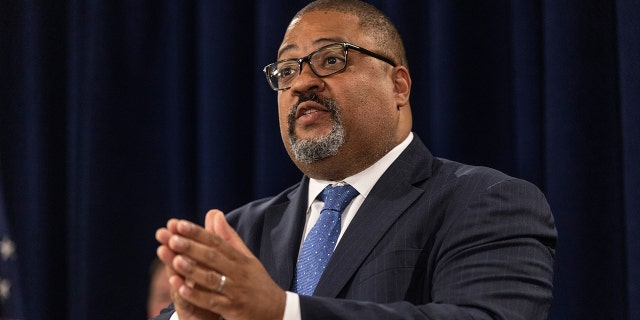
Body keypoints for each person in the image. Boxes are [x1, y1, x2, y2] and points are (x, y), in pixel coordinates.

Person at [154, 0, 557, 319]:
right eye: (287, 70)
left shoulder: (486, 202)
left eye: (331, 59)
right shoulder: (242, 232)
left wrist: (281, 312)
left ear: (398, 85)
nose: (303, 83)